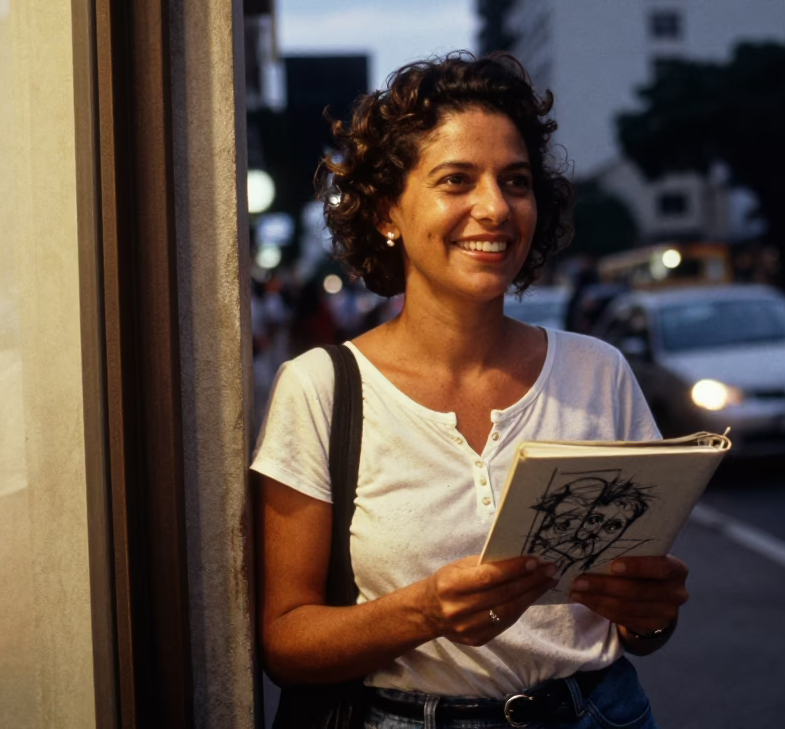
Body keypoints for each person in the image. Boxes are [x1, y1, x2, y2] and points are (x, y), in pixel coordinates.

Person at [252, 53, 689, 728]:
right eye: (456, 180)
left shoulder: (599, 372)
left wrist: (649, 617)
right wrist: (424, 610)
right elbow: (284, 643)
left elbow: (633, 622)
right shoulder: (320, 389)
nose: (495, 208)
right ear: (387, 211)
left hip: (598, 711)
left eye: (515, 181)